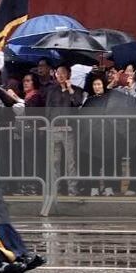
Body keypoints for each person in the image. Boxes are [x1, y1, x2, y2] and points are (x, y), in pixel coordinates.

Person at [43, 64, 83, 196]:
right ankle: (55, 189)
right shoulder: (51, 90)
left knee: (70, 161)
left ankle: (73, 189)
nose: (60, 75)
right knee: (54, 161)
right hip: (54, 128)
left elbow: (77, 103)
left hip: (68, 129)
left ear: (68, 75)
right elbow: (48, 109)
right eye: (58, 73)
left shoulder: (76, 90)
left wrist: (70, 89)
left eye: (63, 73)